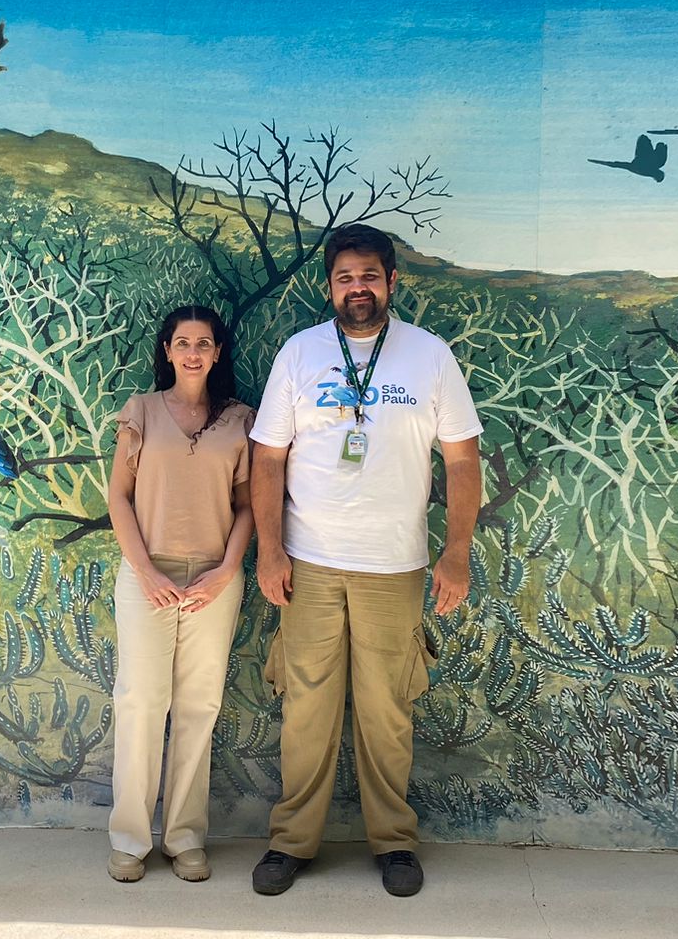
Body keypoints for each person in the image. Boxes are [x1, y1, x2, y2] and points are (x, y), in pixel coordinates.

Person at [249, 223, 482, 898]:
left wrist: (457, 552)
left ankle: (395, 843)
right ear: (330, 285)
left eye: (369, 276)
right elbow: (268, 459)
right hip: (309, 562)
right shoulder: (300, 354)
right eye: (346, 277)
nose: (358, 288)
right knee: (306, 709)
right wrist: (270, 549)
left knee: (388, 709)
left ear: (390, 282)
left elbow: (463, 461)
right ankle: (292, 841)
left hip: (395, 565)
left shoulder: (429, 357)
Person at [105, 304, 255, 884]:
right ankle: (130, 838)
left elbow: (247, 507)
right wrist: (146, 572)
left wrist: (226, 570)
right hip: (148, 575)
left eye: (205, 343)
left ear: (218, 353)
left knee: (199, 706)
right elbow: (119, 497)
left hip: (216, 579)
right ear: (167, 350)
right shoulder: (141, 411)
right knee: (142, 702)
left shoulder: (240, 420)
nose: (193, 352)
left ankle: (186, 838)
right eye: (182, 342)